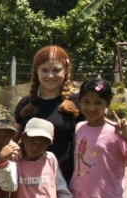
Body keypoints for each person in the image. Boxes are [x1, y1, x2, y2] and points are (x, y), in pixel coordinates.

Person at [15, 45, 81, 182]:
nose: (50, 75)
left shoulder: (77, 104)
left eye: (56, 70)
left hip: (64, 180)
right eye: (44, 70)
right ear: (36, 72)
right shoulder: (26, 104)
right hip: (30, 182)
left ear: (66, 71)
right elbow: (14, 141)